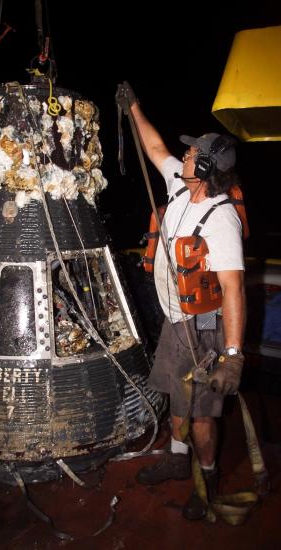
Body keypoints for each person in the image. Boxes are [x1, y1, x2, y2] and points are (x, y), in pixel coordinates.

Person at [115, 81, 246, 520]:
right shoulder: (177, 185)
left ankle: (206, 477)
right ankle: (176, 457)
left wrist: (231, 355)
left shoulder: (221, 217)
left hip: (204, 330)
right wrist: (134, 107)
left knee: (203, 414)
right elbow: (154, 145)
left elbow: (233, 288)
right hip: (175, 320)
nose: (183, 155)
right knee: (175, 394)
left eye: (191, 154)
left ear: (205, 167)